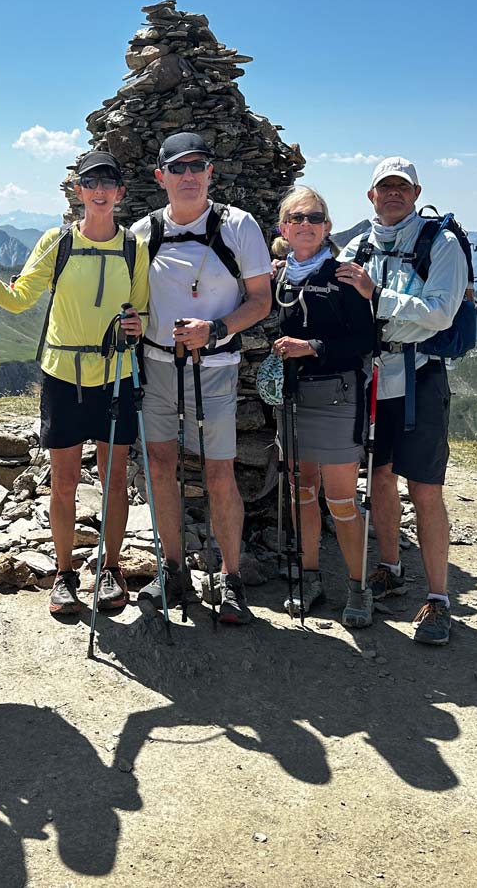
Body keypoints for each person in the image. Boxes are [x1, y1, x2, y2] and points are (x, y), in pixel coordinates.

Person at [0, 151, 147, 617]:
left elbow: (141, 310)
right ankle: (64, 573)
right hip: (63, 376)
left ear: (120, 192)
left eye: (108, 182)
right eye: (90, 182)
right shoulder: (56, 242)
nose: (99, 190)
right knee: (64, 480)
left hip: (116, 374)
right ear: (77, 190)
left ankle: (111, 569)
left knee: (114, 479)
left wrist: (137, 324)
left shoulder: (134, 247)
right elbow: (18, 299)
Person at [131, 131, 272, 624]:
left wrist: (215, 329)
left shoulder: (238, 226)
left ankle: (230, 577)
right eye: (178, 167)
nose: (188, 175)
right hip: (157, 364)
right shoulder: (143, 232)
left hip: (213, 367)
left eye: (197, 166)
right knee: (160, 463)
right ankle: (172, 570)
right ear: (161, 176)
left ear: (211, 172)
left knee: (218, 471)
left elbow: (261, 300)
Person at [338, 157, 469, 645]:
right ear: (371, 196)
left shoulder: (441, 244)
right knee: (380, 478)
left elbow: (441, 312)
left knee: (425, 489)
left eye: (402, 187)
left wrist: (376, 296)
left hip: (419, 377)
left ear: (416, 193)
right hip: (374, 377)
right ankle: (390, 569)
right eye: (385, 187)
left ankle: (438, 598)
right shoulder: (359, 246)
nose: (393, 194)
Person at [269, 187, 376, 622]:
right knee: (302, 491)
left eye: (314, 218)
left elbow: (364, 342)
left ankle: (359, 588)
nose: (306, 225)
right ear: (284, 228)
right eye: (296, 218)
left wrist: (310, 346)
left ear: (327, 227)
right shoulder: (279, 278)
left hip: (337, 397)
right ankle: (310, 577)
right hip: (293, 399)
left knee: (342, 499)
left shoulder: (345, 276)